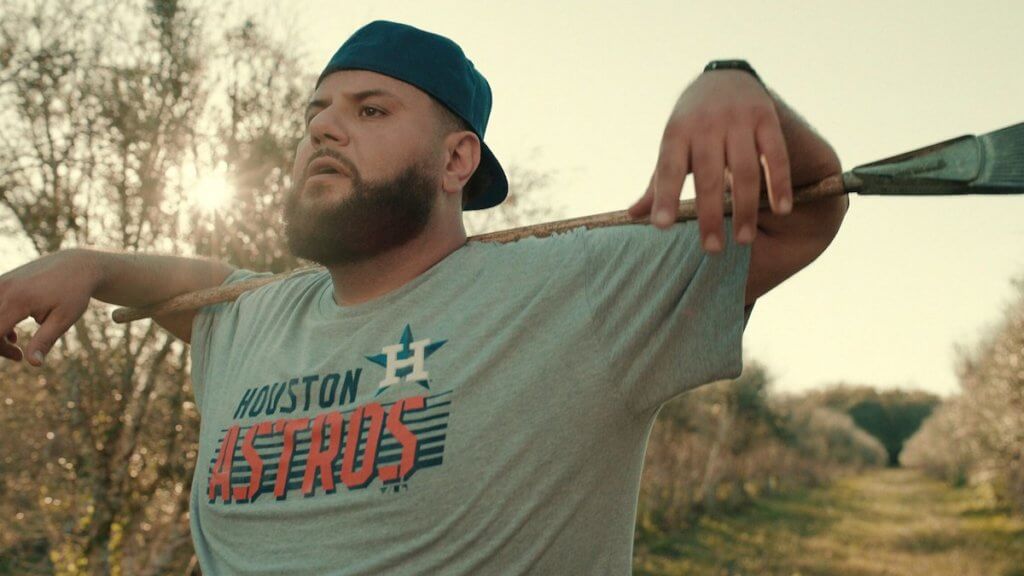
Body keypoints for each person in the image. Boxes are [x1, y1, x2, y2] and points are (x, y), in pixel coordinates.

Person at [0, 19, 847, 576]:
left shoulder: (571, 288)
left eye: (371, 110)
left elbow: (800, 214)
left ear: (456, 163)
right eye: (316, 114)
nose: (325, 128)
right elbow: (198, 286)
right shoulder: (253, 318)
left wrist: (733, 83)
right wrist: (92, 263)